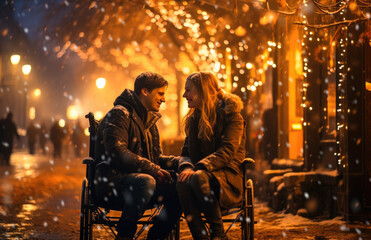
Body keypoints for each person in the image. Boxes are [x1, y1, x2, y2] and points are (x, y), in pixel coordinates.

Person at [94, 72, 181, 240]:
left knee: (180, 184)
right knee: (145, 181)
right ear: (145, 91)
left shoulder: (149, 119)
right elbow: (117, 153)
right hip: (113, 183)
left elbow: (155, 158)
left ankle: (156, 236)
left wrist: (181, 162)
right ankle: (124, 235)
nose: (163, 99)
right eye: (160, 93)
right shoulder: (119, 114)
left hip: (141, 183)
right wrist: (154, 170)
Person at [176, 72, 246, 240]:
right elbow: (185, 152)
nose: (185, 95)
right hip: (202, 176)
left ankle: (218, 234)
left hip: (227, 177)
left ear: (203, 91)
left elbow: (228, 150)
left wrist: (199, 167)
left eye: (188, 90)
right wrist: (186, 167)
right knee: (182, 182)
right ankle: (200, 237)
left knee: (198, 177)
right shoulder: (195, 118)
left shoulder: (232, 115)